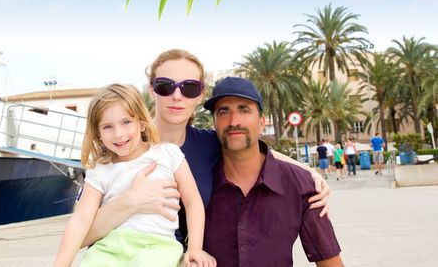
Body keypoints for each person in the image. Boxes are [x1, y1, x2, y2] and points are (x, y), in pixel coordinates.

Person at [80, 49, 330, 250]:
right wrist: (129, 202)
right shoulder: (120, 146)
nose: (177, 96)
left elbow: (261, 152)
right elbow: (81, 237)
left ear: (199, 96)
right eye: (166, 86)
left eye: (189, 88)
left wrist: (310, 173)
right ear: (151, 90)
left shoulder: (208, 144)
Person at [54, 84, 215, 267]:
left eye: (126, 122)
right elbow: (81, 219)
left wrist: (194, 248)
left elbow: (193, 202)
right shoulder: (100, 169)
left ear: (141, 123)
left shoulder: (168, 154)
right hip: (109, 247)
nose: (118, 134)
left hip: (156, 246)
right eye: (107, 127)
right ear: (98, 134)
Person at [202, 77, 343, 266]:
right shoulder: (196, 179)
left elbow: (330, 262)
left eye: (244, 110)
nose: (234, 121)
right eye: (223, 112)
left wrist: (310, 173)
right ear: (214, 123)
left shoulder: (301, 185)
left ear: (261, 123)